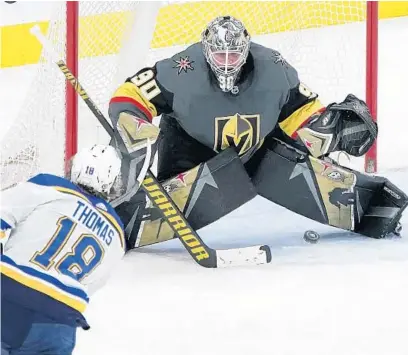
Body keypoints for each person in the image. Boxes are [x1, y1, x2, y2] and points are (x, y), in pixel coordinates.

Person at [107, 15, 407, 250]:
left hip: (260, 151)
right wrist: (133, 122)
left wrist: (325, 130)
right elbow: (131, 94)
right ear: (206, 50)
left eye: (233, 55)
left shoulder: (274, 68)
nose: (227, 61)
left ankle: (371, 204)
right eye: (220, 55)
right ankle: (117, 210)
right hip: (190, 150)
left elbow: (302, 110)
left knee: (294, 149)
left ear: (245, 49)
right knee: (153, 165)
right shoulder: (180, 69)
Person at [1, 145, 125, 355]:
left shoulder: (48, 185)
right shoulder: (117, 232)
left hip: (10, 296)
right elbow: (92, 283)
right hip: (60, 319)